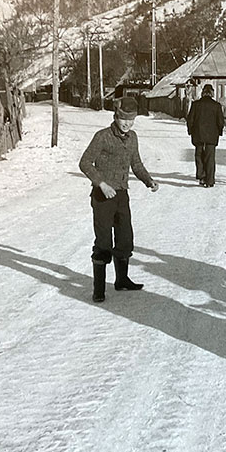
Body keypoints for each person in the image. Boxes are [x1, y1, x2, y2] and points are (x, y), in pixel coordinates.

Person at [79, 96, 159, 303]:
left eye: (131, 121)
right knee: (104, 243)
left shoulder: (133, 138)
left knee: (125, 239)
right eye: (124, 120)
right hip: (103, 197)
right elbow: (85, 163)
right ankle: (98, 289)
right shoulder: (102, 137)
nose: (127, 124)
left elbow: (137, 164)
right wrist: (101, 184)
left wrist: (148, 180)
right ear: (115, 117)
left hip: (122, 194)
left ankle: (122, 280)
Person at [186, 84, 224, 187]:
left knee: (199, 155)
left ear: (202, 92)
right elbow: (220, 122)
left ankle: (202, 176)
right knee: (210, 157)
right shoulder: (216, 105)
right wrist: (219, 132)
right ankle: (210, 180)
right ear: (212, 93)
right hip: (212, 136)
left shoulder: (196, 104)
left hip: (198, 135)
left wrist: (190, 131)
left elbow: (190, 120)